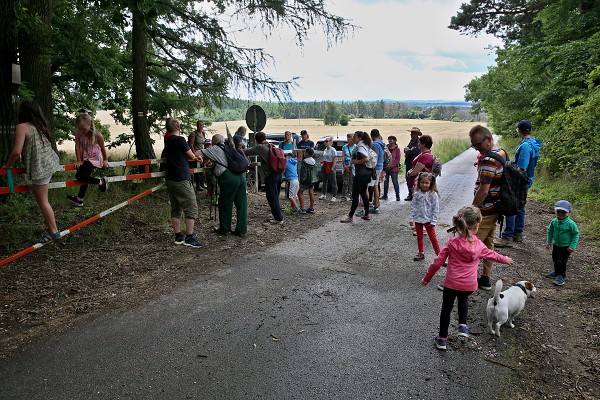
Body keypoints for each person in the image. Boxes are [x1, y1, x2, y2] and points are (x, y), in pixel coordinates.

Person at [421, 205, 513, 351]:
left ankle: (442, 339)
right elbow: (492, 254)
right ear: (476, 227)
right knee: (463, 299)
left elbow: (438, 262)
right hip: (469, 285)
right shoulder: (479, 245)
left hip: (451, 284)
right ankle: (463, 326)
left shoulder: (452, 243)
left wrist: (427, 278)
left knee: (446, 309)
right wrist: (505, 259)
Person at [3, 101, 61, 243]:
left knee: (42, 201)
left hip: (41, 167)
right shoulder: (39, 126)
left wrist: (7, 166)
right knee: (42, 199)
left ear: (22, 112)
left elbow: (16, 151)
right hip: (50, 163)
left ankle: (54, 232)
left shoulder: (22, 127)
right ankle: (51, 228)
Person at [469, 125, 508, 290]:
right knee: (487, 244)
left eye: (479, 144)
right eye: (474, 145)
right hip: (496, 208)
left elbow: (483, 191)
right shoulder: (501, 153)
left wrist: (472, 209)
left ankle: (462, 281)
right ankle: (485, 279)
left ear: (489, 139)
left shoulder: (489, 160)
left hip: (485, 209)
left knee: (468, 243)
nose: (477, 148)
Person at [495, 120, 542, 247]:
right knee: (520, 205)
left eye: (517, 129)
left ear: (520, 130)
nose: (516, 130)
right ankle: (518, 233)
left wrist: (509, 167)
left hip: (520, 180)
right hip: (528, 178)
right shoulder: (533, 143)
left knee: (512, 205)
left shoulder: (526, 146)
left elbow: (521, 168)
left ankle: (508, 236)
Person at [164, 118, 204, 248]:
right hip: (181, 178)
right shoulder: (180, 140)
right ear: (177, 127)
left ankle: (178, 236)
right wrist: (197, 157)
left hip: (170, 178)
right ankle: (190, 237)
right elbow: (190, 155)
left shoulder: (168, 140)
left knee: (175, 207)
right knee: (191, 206)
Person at [201, 134, 248, 237]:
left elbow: (198, 153)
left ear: (213, 142)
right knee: (242, 204)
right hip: (241, 176)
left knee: (225, 203)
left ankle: (225, 229)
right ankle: (242, 230)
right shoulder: (230, 146)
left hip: (229, 178)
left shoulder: (215, 148)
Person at [66, 113, 109, 207]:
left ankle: (101, 182)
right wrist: (78, 160)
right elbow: (77, 146)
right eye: (79, 128)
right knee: (85, 176)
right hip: (84, 157)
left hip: (94, 158)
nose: (81, 131)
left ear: (90, 125)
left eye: (83, 129)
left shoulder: (97, 135)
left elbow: (102, 148)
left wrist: (105, 159)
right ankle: (79, 199)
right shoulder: (78, 132)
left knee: (79, 175)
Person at [244, 131, 284, 224]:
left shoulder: (260, 147)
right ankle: (277, 215)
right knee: (276, 195)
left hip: (270, 175)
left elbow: (247, 152)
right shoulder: (271, 145)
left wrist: (237, 149)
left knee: (271, 197)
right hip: (278, 172)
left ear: (256, 140)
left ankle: (278, 218)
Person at [340, 131, 373, 223]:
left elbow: (366, 159)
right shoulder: (365, 145)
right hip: (366, 173)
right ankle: (367, 214)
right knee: (363, 193)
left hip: (360, 174)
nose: (353, 138)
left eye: (354, 137)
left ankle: (350, 216)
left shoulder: (360, 147)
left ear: (359, 138)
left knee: (355, 195)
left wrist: (355, 162)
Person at [545, 200, 579, 286]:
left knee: (561, 261)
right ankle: (556, 272)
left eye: (563, 212)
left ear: (569, 212)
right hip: (556, 245)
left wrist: (572, 246)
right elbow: (550, 230)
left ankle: (561, 276)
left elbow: (576, 234)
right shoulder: (554, 221)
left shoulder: (571, 223)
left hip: (566, 247)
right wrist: (549, 241)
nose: (560, 213)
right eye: (558, 211)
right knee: (555, 259)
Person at [410, 172, 441, 261]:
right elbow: (413, 206)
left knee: (433, 238)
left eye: (427, 183)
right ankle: (421, 253)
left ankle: (439, 255)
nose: (424, 185)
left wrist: (434, 221)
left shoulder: (433, 194)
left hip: (429, 220)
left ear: (431, 183)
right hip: (418, 219)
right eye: (422, 182)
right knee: (419, 237)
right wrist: (411, 218)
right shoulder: (417, 194)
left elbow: (436, 208)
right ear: (419, 182)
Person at [368, 129, 385, 213]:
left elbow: (374, 157)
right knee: (375, 185)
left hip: (375, 167)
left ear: (371, 136)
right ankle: (376, 205)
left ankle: (367, 206)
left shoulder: (375, 144)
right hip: (380, 166)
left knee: (368, 186)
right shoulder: (381, 143)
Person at [403, 127, 422, 201]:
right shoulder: (412, 141)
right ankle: (411, 194)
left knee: (413, 178)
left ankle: (413, 194)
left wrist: (407, 150)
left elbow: (412, 151)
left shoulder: (418, 142)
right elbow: (406, 149)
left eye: (413, 133)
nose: (411, 134)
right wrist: (407, 150)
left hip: (414, 163)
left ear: (416, 134)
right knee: (409, 179)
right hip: (409, 162)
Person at [381, 135, 401, 201]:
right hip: (386, 167)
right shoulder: (386, 148)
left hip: (394, 168)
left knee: (395, 182)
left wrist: (391, 166)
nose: (390, 141)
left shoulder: (397, 149)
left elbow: (397, 160)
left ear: (395, 140)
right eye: (389, 139)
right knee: (385, 182)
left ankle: (397, 196)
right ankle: (385, 195)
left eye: (392, 139)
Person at [298, 147, 318, 214]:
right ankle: (311, 208)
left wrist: (301, 181)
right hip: (312, 180)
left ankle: (302, 208)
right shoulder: (314, 161)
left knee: (300, 193)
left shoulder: (305, 162)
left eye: (305, 152)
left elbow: (303, 173)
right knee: (311, 192)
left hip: (306, 180)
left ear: (307, 153)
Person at [318, 136, 338, 202]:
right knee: (324, 181)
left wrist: (332, 168)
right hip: (325, 165)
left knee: (333, 182)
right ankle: (323, 194)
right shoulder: (325, 150)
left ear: (330, 142)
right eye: (325, 141)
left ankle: (334, 196)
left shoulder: (333, 150)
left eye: (326, 141)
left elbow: (334, 160)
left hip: (330, 165)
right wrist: (322, 165)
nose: (325, 142)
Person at [188, 120, 207, 191]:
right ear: (196, 125)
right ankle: (198, 185)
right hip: (196, 155)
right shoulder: (193, 134)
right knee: (197, 170)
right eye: (199, 125)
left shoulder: (203, 133)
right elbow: (191, 145)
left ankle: (202, 183)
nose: (200, 126)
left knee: (203, 169)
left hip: (202, 154)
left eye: (201, 125)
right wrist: (194, 154)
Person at [340, 133, 355, 202]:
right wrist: (344, 165)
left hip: (353, 165)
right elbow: (343, 156)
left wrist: (351, 164)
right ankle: (344, 196)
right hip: (346, 165)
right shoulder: (344, 147)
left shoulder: (356, 147)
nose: (349, 139)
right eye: (348, 137)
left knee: (352, 181)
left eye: (350, 138)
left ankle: (352, 195)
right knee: (345, 181)